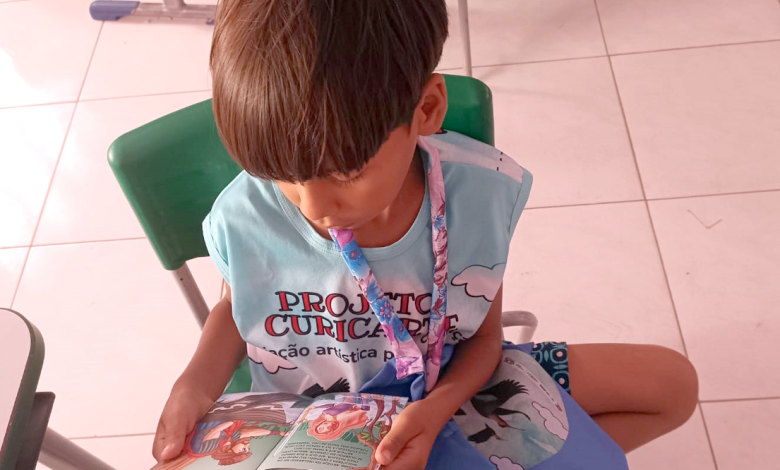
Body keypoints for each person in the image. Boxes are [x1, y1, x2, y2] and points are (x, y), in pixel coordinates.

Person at [152, 1, 699, 469]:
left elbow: (484, 339)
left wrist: (438, 410)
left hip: (455, 390)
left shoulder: (478, 196)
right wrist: (192, 386)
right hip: (315, 422)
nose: (314, 208)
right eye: (283, 177)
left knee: (672, 384)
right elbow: (236, 308)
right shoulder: (245, 214)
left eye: (346, 173)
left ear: (428, 109)